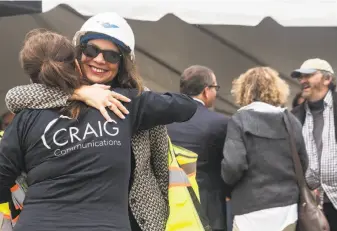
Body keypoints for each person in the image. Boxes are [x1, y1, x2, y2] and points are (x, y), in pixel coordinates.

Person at [3, 13, 197, 231]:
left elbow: (187, 106)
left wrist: (138, 96)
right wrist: (76, 92)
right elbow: (14, 97)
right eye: (91, 50)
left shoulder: (129, 101)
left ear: (123, 63)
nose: (99, 60)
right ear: (77, 53)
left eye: (112, 56)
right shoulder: (38, 103)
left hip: (130, 218)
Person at [221, 67, 308, 231]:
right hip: (286, 207)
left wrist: (228, 185)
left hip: (249, 206)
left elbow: (233, 165)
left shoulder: (239, 120)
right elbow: (303, 163)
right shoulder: (291, 121)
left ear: (244, 90)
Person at [167, 65, 229, 231]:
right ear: (206, 91)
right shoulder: (220, 123)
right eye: (215, 88)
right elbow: (229, 165)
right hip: (207, 208)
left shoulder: (162, 119)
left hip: (169, 206)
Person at [291, 58, 337, 231]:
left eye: (308, 75)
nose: (303, 80)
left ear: (327, 79)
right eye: (301, 77)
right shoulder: (294, 116)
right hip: (312, 206)